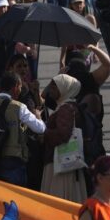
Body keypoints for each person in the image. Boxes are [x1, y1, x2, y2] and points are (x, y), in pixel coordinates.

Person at [0, 71, 44, 186]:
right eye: (20, 87)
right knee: (14, 195)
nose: (20, 90)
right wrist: (38, 116)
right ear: (15, 87)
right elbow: (40, 129)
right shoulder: (19, 107)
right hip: (13, 159)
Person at [41, 74, 87, 202]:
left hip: (61, 164)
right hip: (64, 162)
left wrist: (44, 131)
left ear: (63, 88)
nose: (51, 90)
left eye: (54, 86)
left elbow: (63, 135)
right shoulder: (66, 105)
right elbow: (44, 95)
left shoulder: (65, 109)